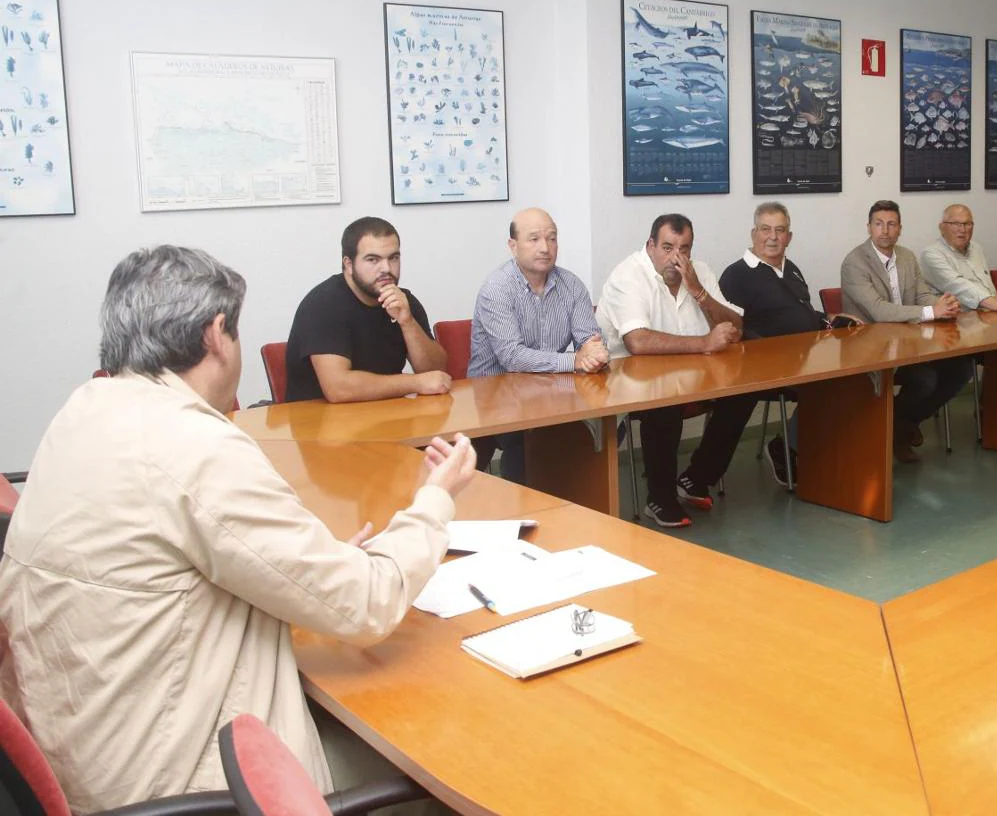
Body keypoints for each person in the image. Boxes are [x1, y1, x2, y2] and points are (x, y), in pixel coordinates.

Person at [0, 245, 477, 813]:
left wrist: (309, 567)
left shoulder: (85, 410)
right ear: (216, 334)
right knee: (446, 746)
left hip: (88, 750)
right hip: (182, 775)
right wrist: (434, 502)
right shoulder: (192, 445)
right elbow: (364, 604)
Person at [597, 214, 753, 528]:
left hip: (689, 372)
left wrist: (699, 292)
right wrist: (705, 341)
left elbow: (737, 326)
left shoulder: (700, 273)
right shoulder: (628, 276)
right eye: (667, 248)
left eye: (684, 248)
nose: (676, 258)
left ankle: (696, 478)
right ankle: (660, 498)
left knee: (743, 392)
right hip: (626, 378)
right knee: (663, 403)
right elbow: (638, 341)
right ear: (650, 245)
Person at [719, 201, 862, 484]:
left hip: (805, 358)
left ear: (789, 237)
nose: (772, 237)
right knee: (830, 384)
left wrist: (830, 319)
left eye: (780, 230)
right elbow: (731, 330)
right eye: (765, 229)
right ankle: (786, 448)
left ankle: (808, 448)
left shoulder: (791, 268)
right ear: (753, 233)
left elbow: (801, 313)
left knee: (854, 377)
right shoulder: (736, 275)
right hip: (764, 366)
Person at [468, 207, 608, 482]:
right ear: (513, 245)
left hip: (551, 391)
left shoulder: (572, 285)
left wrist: (595, 352)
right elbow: (512, 357)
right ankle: (524, 513)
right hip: (494, 397)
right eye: (534, 239)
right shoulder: (497, 289)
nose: (545, 247)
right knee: (524, 437)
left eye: (552, 238)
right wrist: (575, 360)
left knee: (604, 422)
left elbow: (590, 340)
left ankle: (575, 504)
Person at [841, 200, 972, 463]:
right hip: (870, 348)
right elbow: (879, 311)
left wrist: (942, 305)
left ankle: (899, 423)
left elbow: (922, 293)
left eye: (891, 224)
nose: (885, 230)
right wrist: (929, 313)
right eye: (879, 224)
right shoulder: (855, 262)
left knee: (961, 368)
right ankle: (898, 427)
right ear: (869, 227)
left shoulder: (907, 257)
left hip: (909, 342)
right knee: (926, 380)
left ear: (900, 228)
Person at [285, 216, 451, 403]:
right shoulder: (323, 304)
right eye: (373, 260)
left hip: (387, 417)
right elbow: (338, 388)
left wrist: (407, 322)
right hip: (320, 423)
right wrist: (415, 383)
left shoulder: (403, 301)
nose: (386, 268)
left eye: (393, 258)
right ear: (348, 264)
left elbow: (437, 374)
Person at [920, 204, 997, 314]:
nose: (962, 229)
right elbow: (958, 286)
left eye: (967, 224)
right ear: (942, 227)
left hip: (991, 316)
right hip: (958, 321)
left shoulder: (976, 248)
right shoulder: (931, 254)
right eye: (956, 224)